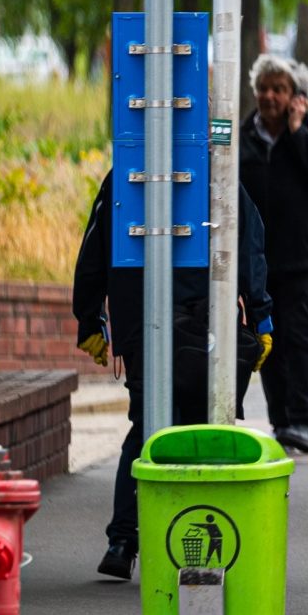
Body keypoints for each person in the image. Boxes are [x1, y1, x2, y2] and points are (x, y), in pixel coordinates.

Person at [72, 173, 274, 581]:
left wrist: (89, 317)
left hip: (138, 318)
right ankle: (190, 538)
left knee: (148, 425)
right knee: (202, 427)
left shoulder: (126, 174)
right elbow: (248, 241)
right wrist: (261, 314)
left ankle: (124, 540)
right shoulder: (220, 171)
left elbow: (95, 246)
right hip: (204, 322)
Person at [240, 53, 308, 455]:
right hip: (257, 259)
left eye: (278, 89)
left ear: (296, 96)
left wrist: (299, 132)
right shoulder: (243, 134)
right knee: (266, 338)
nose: (269, 96)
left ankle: (304, 420)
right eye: (264, 88)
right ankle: (281, 420)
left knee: (299, 338)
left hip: (299, 258)